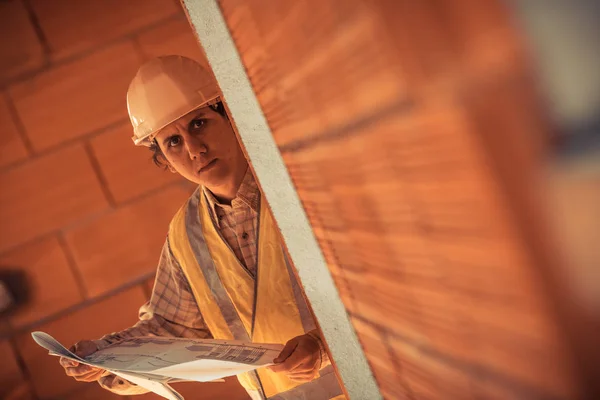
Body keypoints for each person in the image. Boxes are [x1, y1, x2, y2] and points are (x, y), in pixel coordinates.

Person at [58, 55, 345, 400]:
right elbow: (171, 331)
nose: (195, 149)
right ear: (164, 161)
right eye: (173, 142)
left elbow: (386, 277)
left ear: (229, 114)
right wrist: (106, 358)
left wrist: (323, 344)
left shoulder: (305, 179)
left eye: (198, 124)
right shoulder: (186, 237)